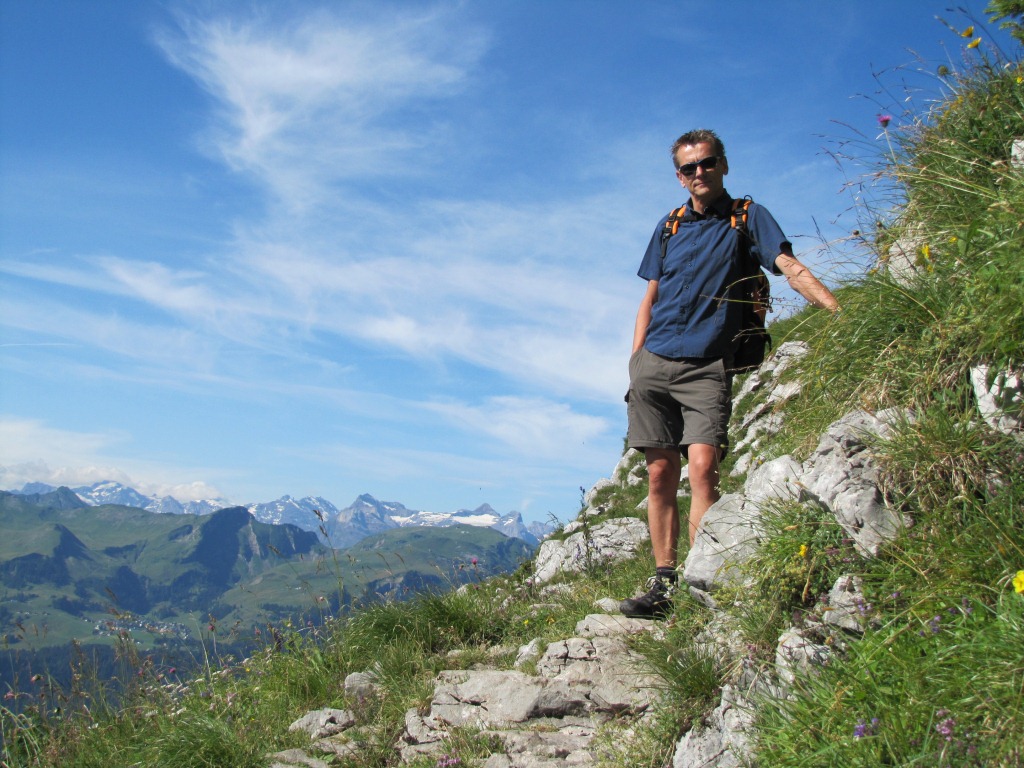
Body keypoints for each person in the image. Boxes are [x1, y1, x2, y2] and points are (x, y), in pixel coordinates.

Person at [620, 129, 840, 619]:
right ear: (679, 177)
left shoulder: (747, 216)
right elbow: (650, 296)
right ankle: (663, 584)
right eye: (689, 167)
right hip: (654, 362)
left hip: (707, 364)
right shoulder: (668, 226)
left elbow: (786, 264)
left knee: (703, 468)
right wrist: (636, 362)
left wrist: (838, 312)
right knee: (659, 473)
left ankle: (699, 581)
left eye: (707, 162)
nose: (699, 172)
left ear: (723, 165)